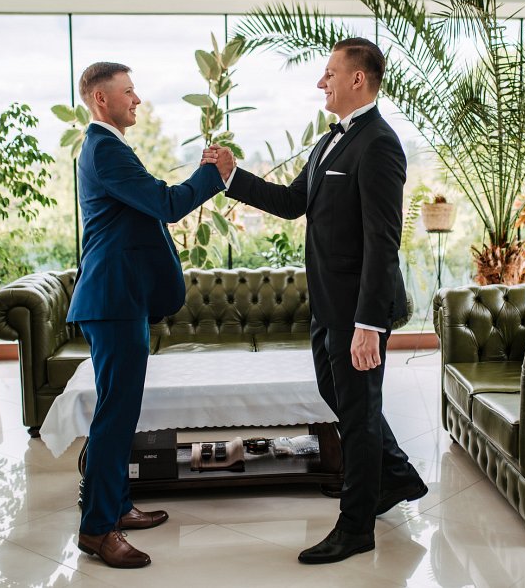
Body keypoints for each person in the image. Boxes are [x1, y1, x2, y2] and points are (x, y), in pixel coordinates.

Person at [203, 37, 427, 564]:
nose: (320, 82)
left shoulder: (380, 144)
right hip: (327, 305)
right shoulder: (329, 142)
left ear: (357, 79)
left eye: (329, 73)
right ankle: (396, 476)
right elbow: (291, 202)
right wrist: (231, 175)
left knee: (359, 413)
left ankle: (356, 527)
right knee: (342, 399)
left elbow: (382, 242)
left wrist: (369, 325)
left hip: (359, 312)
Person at [68, 62, 234, 569]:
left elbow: (147, 205)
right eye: (128, 91)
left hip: (122, 298)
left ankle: (118, 506)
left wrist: (202, 176)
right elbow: (164, 203)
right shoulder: (104, 149)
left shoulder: (108, 148)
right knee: (115, 416)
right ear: (101, 99)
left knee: (121, 412)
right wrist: (213, 175)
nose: (137, 99)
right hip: (113, 299)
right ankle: (98, 529)